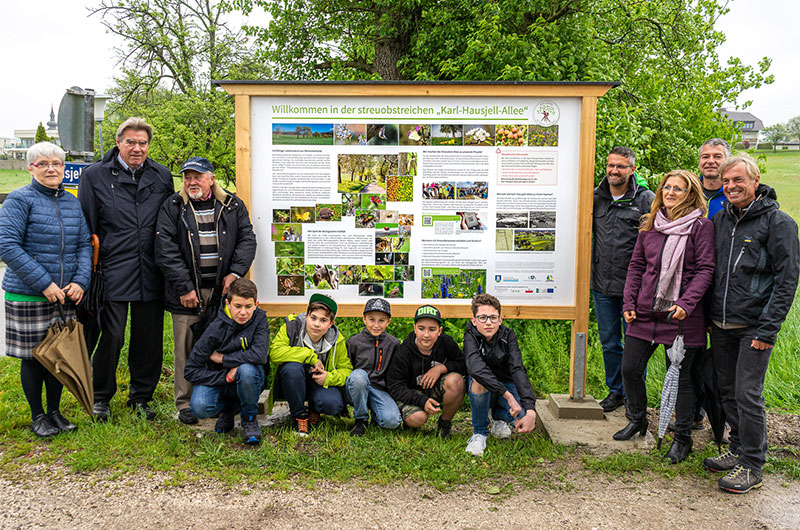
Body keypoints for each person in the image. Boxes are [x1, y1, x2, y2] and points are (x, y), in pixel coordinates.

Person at [703, 155, 799, 493]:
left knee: (747, 394)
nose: (731, 187)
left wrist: (768, 329)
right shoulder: (721, 219)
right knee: (727, 391)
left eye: (738, 181)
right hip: (721, 323)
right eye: (727, 181)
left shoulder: (778, 223)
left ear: (755, 181)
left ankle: (752, 465)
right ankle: (738, 448)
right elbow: (711, 272)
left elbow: (787, 281)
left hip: (754, 326)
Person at [613, 170, 715, 466]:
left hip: (682, 316)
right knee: (630, 368)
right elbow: (636, 266)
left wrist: (687, 302)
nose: (670, 193)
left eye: (678, 189)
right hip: (645, 312)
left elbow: (706, 269)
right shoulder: (650, 224)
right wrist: (629, 301)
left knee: (682, 380)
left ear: (691, 194)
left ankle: (682, 439)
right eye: (667, 187)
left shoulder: (700, 227)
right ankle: (637, 420)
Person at [78, 117, 175, 422]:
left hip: (151, 269)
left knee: (149, 339)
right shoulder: (94, 176)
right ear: (118, 142)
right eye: (130, 142)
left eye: (143, 143)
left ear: (149, 145)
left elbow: (168, 223)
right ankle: (101, 397)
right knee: (112, 335)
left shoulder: (161, 176)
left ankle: (141, 397)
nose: (137, 148)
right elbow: (87, 227)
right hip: (112, 269)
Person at [155, 156, 256, 425]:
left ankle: (227, 398)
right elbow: (165, 248)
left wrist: (234, 274)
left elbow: (247, 239)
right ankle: (185, 402)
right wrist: (185, 287)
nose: (191, 182)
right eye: (187, 177)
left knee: (226, 343)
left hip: (225, 292)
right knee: (185, 346)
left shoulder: (232, 205)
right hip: (187, 293)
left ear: (211, 178)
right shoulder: (173, 206)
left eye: (197, 176)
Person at [0, 142, 91, 437]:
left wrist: (80, 281)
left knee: (58, 357)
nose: (51, 168)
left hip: (64, 294)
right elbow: (7, 245)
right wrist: (44, 284)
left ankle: (55, 411)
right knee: (33, 356)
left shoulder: (72, 201)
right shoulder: (18, 200)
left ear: (64, 168)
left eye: (57, 163)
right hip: (29, 294)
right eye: (43, 164)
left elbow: (82, 245)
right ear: (31, 168)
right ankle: (37, 415)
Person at [591, 146, 655, 413]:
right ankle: (615, 391)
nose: (614, 171)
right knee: (609, 342)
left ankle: (634, 397)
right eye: (610, 165)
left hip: (635, 290)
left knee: (634, 345)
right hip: (602, 285)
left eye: (620, 166)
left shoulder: (646, 199)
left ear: (632, 170)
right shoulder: (595, 197)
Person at [184, 278, 268, 444]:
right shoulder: (215, 327)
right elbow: (191, 370)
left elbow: (259, 355)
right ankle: (228, 410)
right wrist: (225, 378)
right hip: (220, 380)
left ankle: (249, 419)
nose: (243, 312)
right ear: (228, 304)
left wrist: (223, 359)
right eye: (238, 306)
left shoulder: (260, 319)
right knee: (200, 406)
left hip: (250, 379)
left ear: (256, 304)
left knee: (247, 370)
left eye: (248, 307)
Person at [463, 294, 537, 457]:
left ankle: (498, 417)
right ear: (474, 320)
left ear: (500, 320)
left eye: (493, 317)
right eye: (482, 317)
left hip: (505, 385)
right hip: (485, 387)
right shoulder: (470, 335)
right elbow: (475, 368)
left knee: (522, 418)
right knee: (478, 379)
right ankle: (480, 433)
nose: (488, 322)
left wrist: (531, 409)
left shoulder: (508, 335)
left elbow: (517, 369)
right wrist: (508, 396)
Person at [269, 293, 352, 436]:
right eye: (313, 318)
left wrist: (329, 377)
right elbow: (275, 353)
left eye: (323, 320)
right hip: (292, 381)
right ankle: (299, 416)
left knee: (333, 404)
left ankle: (314, 409)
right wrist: (310, 356)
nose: (317, 324)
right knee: (291, 368)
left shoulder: (337, 340)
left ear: (331, 323)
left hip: (318, 381)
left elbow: (347, 370)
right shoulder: (292, 326)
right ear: (306, 316)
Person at [386, 305, 466, 439]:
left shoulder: (446, 342)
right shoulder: (403, 351)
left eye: (432, 329)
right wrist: (422, 401)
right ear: (415, 329)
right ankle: (409, 421)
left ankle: (445, 422)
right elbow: (395, 386)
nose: (426, 335)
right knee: (417, 418)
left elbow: (464, 364)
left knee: (457, 381)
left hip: (435, 388)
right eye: (421, 329)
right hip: (412, 393)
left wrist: (440, 368)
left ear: (439, 331)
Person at [344, 298, 402, 436]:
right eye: (371, 319)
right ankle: (361, 420)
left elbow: (394, 373)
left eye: (381, 320)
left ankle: (377, 415)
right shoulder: (353, 342)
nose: (376, 325)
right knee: (359, 376)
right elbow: (347, 369)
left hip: (379, 390)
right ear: (364, 319)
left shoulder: (393, 343)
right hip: (356, 387)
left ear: (388, 321)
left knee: (392, 421)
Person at [698, 138, 730, 219]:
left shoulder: (734, 194)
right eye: (705, 157)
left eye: (717, 156)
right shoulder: (688, 192)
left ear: (728, 161)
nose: (710, 161)